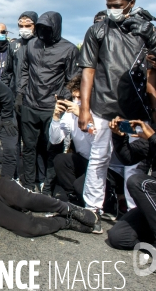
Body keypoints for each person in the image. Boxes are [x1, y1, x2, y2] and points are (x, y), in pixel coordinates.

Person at [79, 0, 150, 212]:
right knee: (99, 158)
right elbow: (88, 70)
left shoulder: (146, 30)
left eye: (117, 5)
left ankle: (134, 212)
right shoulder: (97, 30)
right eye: (108, 5)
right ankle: (92, 209)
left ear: (131, 4)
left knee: (135, 165)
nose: (112, 10)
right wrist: (84, 109)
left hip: (136, 111)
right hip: (102, 109)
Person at [19, 11, 79, 194]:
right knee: (28, 148)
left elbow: (73, 79)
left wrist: (61, 99)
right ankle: (29, 185)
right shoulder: (31, 45)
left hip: (52, 108)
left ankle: (49, 187)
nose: (43, 31)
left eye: (47, 28)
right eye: (40, 28)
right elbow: (24, 71)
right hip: (30, 104)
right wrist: (22, 93)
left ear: (56, 28)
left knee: (53, 148)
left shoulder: (69, 49)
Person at [51, 75, 125, 214]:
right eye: (74, 98)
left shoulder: (99, 114)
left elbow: (98, 143)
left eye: (80, 98)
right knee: (61, 160)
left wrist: (82, 115)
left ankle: (109, 200)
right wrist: (55, 118)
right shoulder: (70, 114)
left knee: (81, 186)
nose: (76, 101)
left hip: (106, 166)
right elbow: (55, 140)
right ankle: (76, 199)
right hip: (85, 160)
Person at [107, 117, 156, 263]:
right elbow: (128, 157)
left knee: (140, 183)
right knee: (119, 237)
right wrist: (119, 137)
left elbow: (155, 140)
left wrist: (153, 137)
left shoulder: (155, 135)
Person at [1, 11, 38, 181]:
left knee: (32, 141)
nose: (24, 29)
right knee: (13, 139)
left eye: (28, 25)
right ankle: (13, 175)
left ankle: (36, 177)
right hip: (15, 98)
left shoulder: (40, 44)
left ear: (35, 26)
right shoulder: (13, 45)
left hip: (35, 100)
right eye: (21, 26)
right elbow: (7, 72)